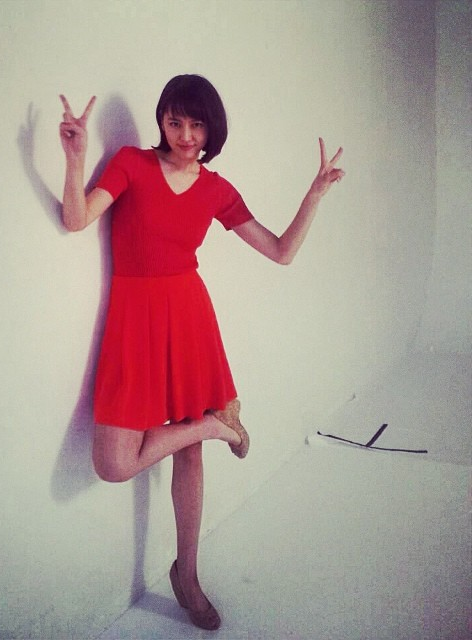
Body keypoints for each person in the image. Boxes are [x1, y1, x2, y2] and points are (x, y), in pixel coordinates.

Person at [58, 74, 344, 631]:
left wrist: (313, 196)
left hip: (187, 318)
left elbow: (281, 251)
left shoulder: (217, 190)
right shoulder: (131, 164)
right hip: (133, 322)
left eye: (197, 125)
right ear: (162, 121)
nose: (185, 135)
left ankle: (186, 575)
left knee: (188, 456)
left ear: (212, 130)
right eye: (175, 121)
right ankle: (218, 425)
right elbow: (76, 218)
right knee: (113, 463)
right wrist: (76, 158)